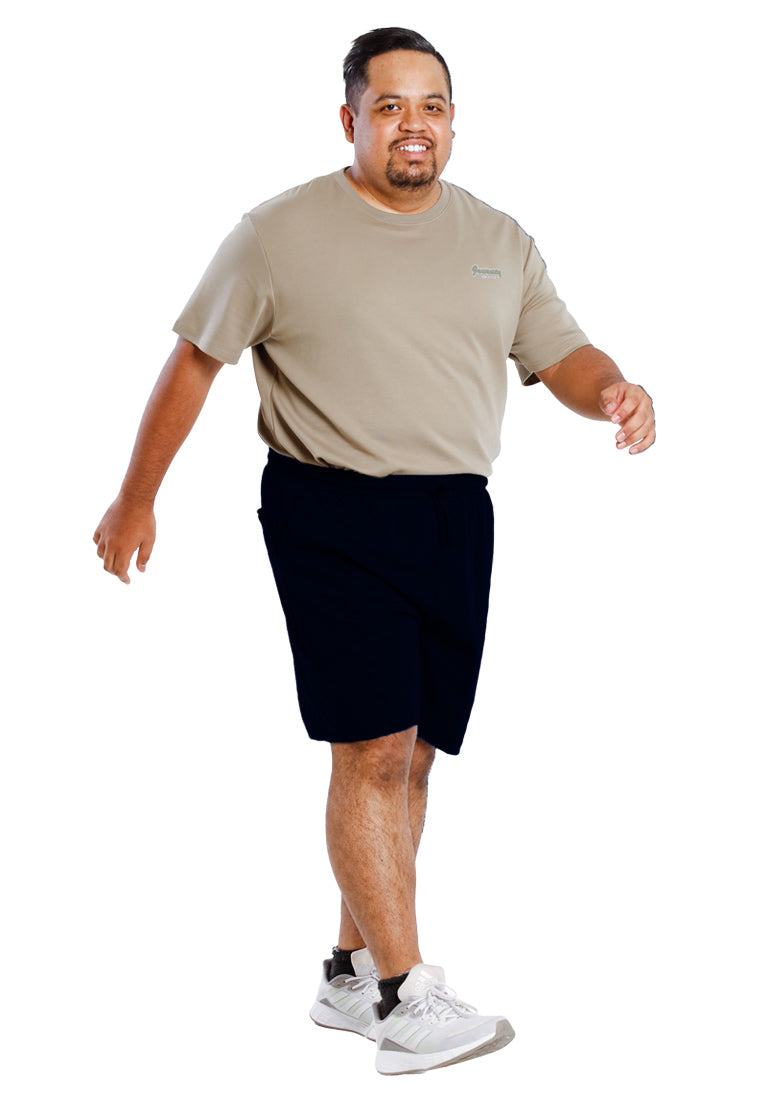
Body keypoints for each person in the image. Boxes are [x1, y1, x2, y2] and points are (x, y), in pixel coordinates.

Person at [93, 27, 655, 1076]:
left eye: (431, 105)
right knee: (371, 747)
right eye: (389, 106)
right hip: (330, 508)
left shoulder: (498, 237)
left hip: (456, 514)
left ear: (453, 121)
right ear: (349, 119)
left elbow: (563, 354)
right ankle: (406, 997)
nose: (412, 124)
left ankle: (349, 972)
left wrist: (615, 390)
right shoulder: (277, 233)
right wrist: (136, 499)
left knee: (416, 754)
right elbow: (195, 360)